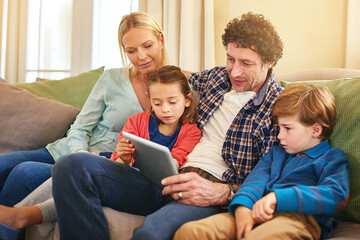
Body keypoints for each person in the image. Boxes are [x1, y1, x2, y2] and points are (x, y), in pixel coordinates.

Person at [51, 12, 284, 240]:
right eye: (230, 59)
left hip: (206, 187)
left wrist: (225, 192)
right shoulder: (216, 78)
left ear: (269, 62)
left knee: (150, 233)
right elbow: (173, 83)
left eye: (246, 63)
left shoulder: (278, 108)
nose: (235, 71)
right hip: (165, 175)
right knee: (72, 165)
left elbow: (272, 176)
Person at [0, 11, 168, 240]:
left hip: (102, 165)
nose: (141, 56)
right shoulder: (111, 79)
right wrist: (78, 154)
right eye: (131, 51)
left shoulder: (174, 88)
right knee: (3, 164)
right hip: (65, 150)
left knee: (24, 173)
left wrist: (85, 163)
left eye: (147, 45)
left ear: (161, 39)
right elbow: (80, 128)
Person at [174, 84, 350, 240]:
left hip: (298, 219)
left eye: (288, 128)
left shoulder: (332, 158)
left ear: (316, 129)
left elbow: (335, 195)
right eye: (279, 128)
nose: (280, 135)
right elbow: (255, 181)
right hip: (255, 211)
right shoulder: (276, 153)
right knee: (191, 232)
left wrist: (277, 198)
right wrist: (243, 206)